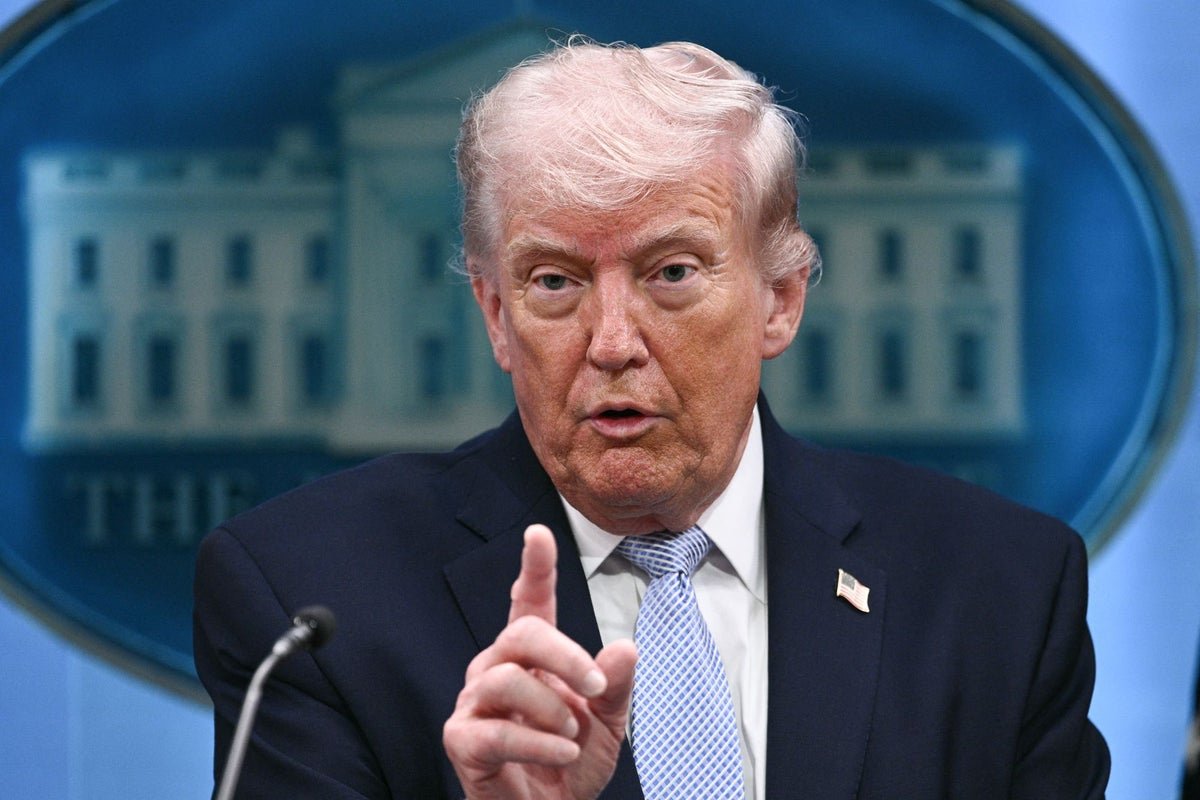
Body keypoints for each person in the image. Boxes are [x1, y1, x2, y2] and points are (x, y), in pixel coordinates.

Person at [193, 38, 1110, 798]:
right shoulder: (312, 604)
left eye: (672, 272)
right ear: (497, 316)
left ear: (780, 299)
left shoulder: (1001, 592)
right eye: (555, 281)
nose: (613, 342)